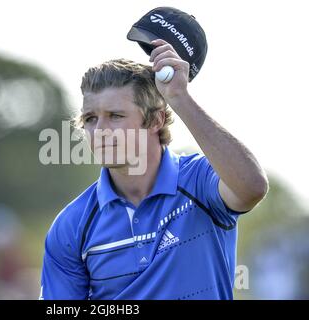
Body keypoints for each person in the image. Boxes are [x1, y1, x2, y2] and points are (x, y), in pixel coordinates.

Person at [40, 8, 268, 299]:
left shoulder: (199, 180)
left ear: (156, 120)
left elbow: (252, 186)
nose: (100, 130)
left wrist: (179, 97)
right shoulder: (71, 226)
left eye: (116, 115)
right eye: (91, 119)